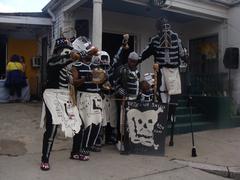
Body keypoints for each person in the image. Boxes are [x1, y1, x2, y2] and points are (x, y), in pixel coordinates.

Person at [40, 37, 89, 171]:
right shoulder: (52, 61)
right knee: (52, 127)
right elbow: (62, 61)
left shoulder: (67, 67)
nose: (69, 53)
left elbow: (72, 82)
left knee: (79, 125)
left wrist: (84, 78)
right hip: (52, 96)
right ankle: (45, 159)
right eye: (66, 50)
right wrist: (72, 56)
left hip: (65, 97)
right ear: (59, 50)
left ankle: (75, 152)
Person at [140, 17, 185, 125]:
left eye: (166, 24)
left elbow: (182, 53)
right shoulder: (155, 40)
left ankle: (172, 115)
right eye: (162, 25)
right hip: (161, 69)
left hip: (174, 69)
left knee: (174, 94)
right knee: (161, 91)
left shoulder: (176, 38)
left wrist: (185, 59)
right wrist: (136, 59)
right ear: (158, 28)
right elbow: (145, 53)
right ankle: (163, 115)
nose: (165, 27)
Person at [71, 36, 102, 161]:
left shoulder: (95, 64)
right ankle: (81, 147)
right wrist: (85, 78)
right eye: (89, 50)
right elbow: (74, 82)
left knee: (97, 123)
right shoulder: (76, 65)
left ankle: (89, 145)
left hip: (96, 96)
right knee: (85, 124)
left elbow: (99, 81)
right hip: (84, 96)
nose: (92, 52)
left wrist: (103, 80)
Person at [114, 51, 140, 153]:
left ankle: (129, 142)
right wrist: (121, 92)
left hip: (134, 100)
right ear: (128, 60)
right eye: (131, 61)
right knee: (122, 122)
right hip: (124, 100)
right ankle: (119, 141)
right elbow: (115, 83)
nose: (133, 63)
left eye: (135, 62)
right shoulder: (121, 70)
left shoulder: (137, 72)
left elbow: (137, 85)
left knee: (131, 122)